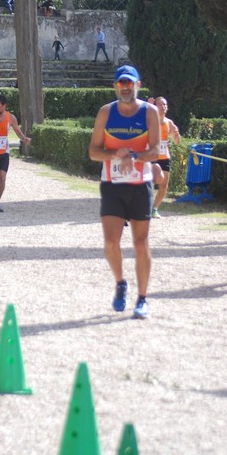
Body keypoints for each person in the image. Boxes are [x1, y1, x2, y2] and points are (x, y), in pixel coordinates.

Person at [89, 65, 160, 319]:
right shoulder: (106, 113)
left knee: (140, 243)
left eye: (130, 83)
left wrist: (135, 156)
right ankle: (120, 282)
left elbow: (156, 151)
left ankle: (142, 299)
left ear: (138, 85)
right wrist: (114, 155)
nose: (126, 87)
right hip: (112, 185)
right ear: (115, 86)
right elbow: (93, 152)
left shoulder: (150, 112)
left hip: (141, 185)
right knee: (110, 242)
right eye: (121, 83)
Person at [149, 96, 181, 218]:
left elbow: (177, 141)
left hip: (164, 156)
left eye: (165, 105)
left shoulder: (169, 123)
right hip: (151, 155)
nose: (163, 107)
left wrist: (177, 134)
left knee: (164, 185)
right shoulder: (150, 120)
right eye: (160, 104)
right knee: (148, 183)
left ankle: (154, 209)